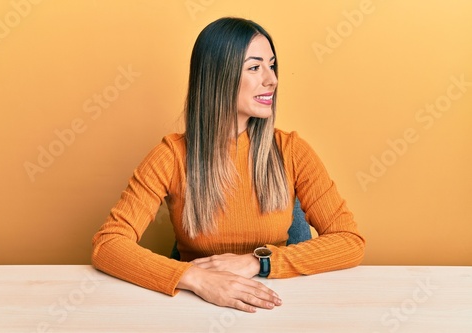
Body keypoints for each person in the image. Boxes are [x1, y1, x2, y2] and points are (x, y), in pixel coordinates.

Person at [91, 17, 365, 313]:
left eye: (272, 66)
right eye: (254, 67)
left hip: (279, 303)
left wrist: (257, 262)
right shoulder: (171, 156)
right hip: (194, 306)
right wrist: (196, 279)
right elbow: (108, 245)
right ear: (218, 76)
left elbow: (349, 241)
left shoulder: (291, 150)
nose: (271, 79)